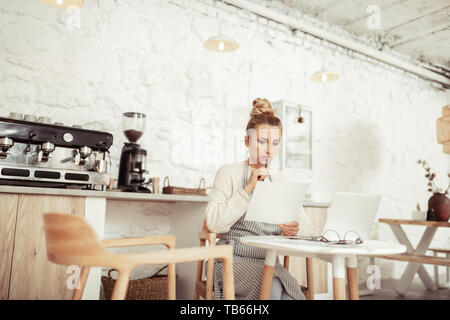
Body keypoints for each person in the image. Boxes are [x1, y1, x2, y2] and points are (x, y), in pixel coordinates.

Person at [204, 98, 313, 300]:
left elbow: (307, 228)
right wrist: (247, 189)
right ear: (247, 141)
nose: (269, 150)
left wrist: (294, 229)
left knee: (289, 297)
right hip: (232, 260)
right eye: (262, 142)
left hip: (269, 262)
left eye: (275, 143)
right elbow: (214, 223)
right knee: (271, 287)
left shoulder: (280, 180)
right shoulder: (228, 173)